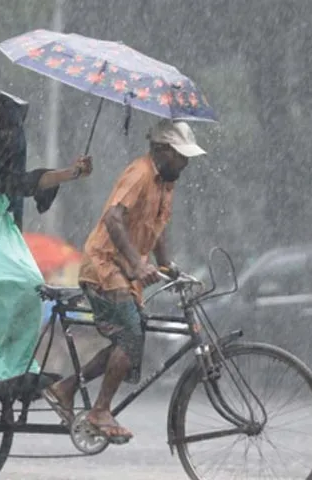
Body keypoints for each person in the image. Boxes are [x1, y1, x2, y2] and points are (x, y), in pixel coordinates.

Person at [42, 119, 207, 444]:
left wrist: (167, 266)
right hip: (104, 267)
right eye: (180, 155)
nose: (184, 163)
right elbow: (113, 219)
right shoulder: (140, 174)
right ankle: (100, 411)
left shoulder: (166, 183)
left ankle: (66, 388)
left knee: (130, 339)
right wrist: (136, 262)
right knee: (131, 337)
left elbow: (157, 228)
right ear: (161, 150)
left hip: (125, 274)